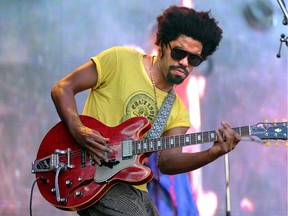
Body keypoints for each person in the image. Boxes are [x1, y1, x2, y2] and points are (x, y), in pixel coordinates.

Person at [51, 5, 241, 216]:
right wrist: (79, 130)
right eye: (179, 53)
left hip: (132, 188)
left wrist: (212, 152)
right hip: (91, 175)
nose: (185, 63)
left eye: (194, 59)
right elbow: (62, 88)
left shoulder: (178, 111)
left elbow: (167, 163)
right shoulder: (120, 60)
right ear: (162, 44)